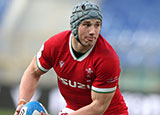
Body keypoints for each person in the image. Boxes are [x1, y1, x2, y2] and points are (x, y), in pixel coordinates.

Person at [14, 1, 128, 115]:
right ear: (75, 25)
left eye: (97, 25)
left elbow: (98, 107)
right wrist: (22, 103)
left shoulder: (107, 59)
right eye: (87, 25)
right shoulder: (55, 45)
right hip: (74, 110)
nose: (93, 31)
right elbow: (33, 72)